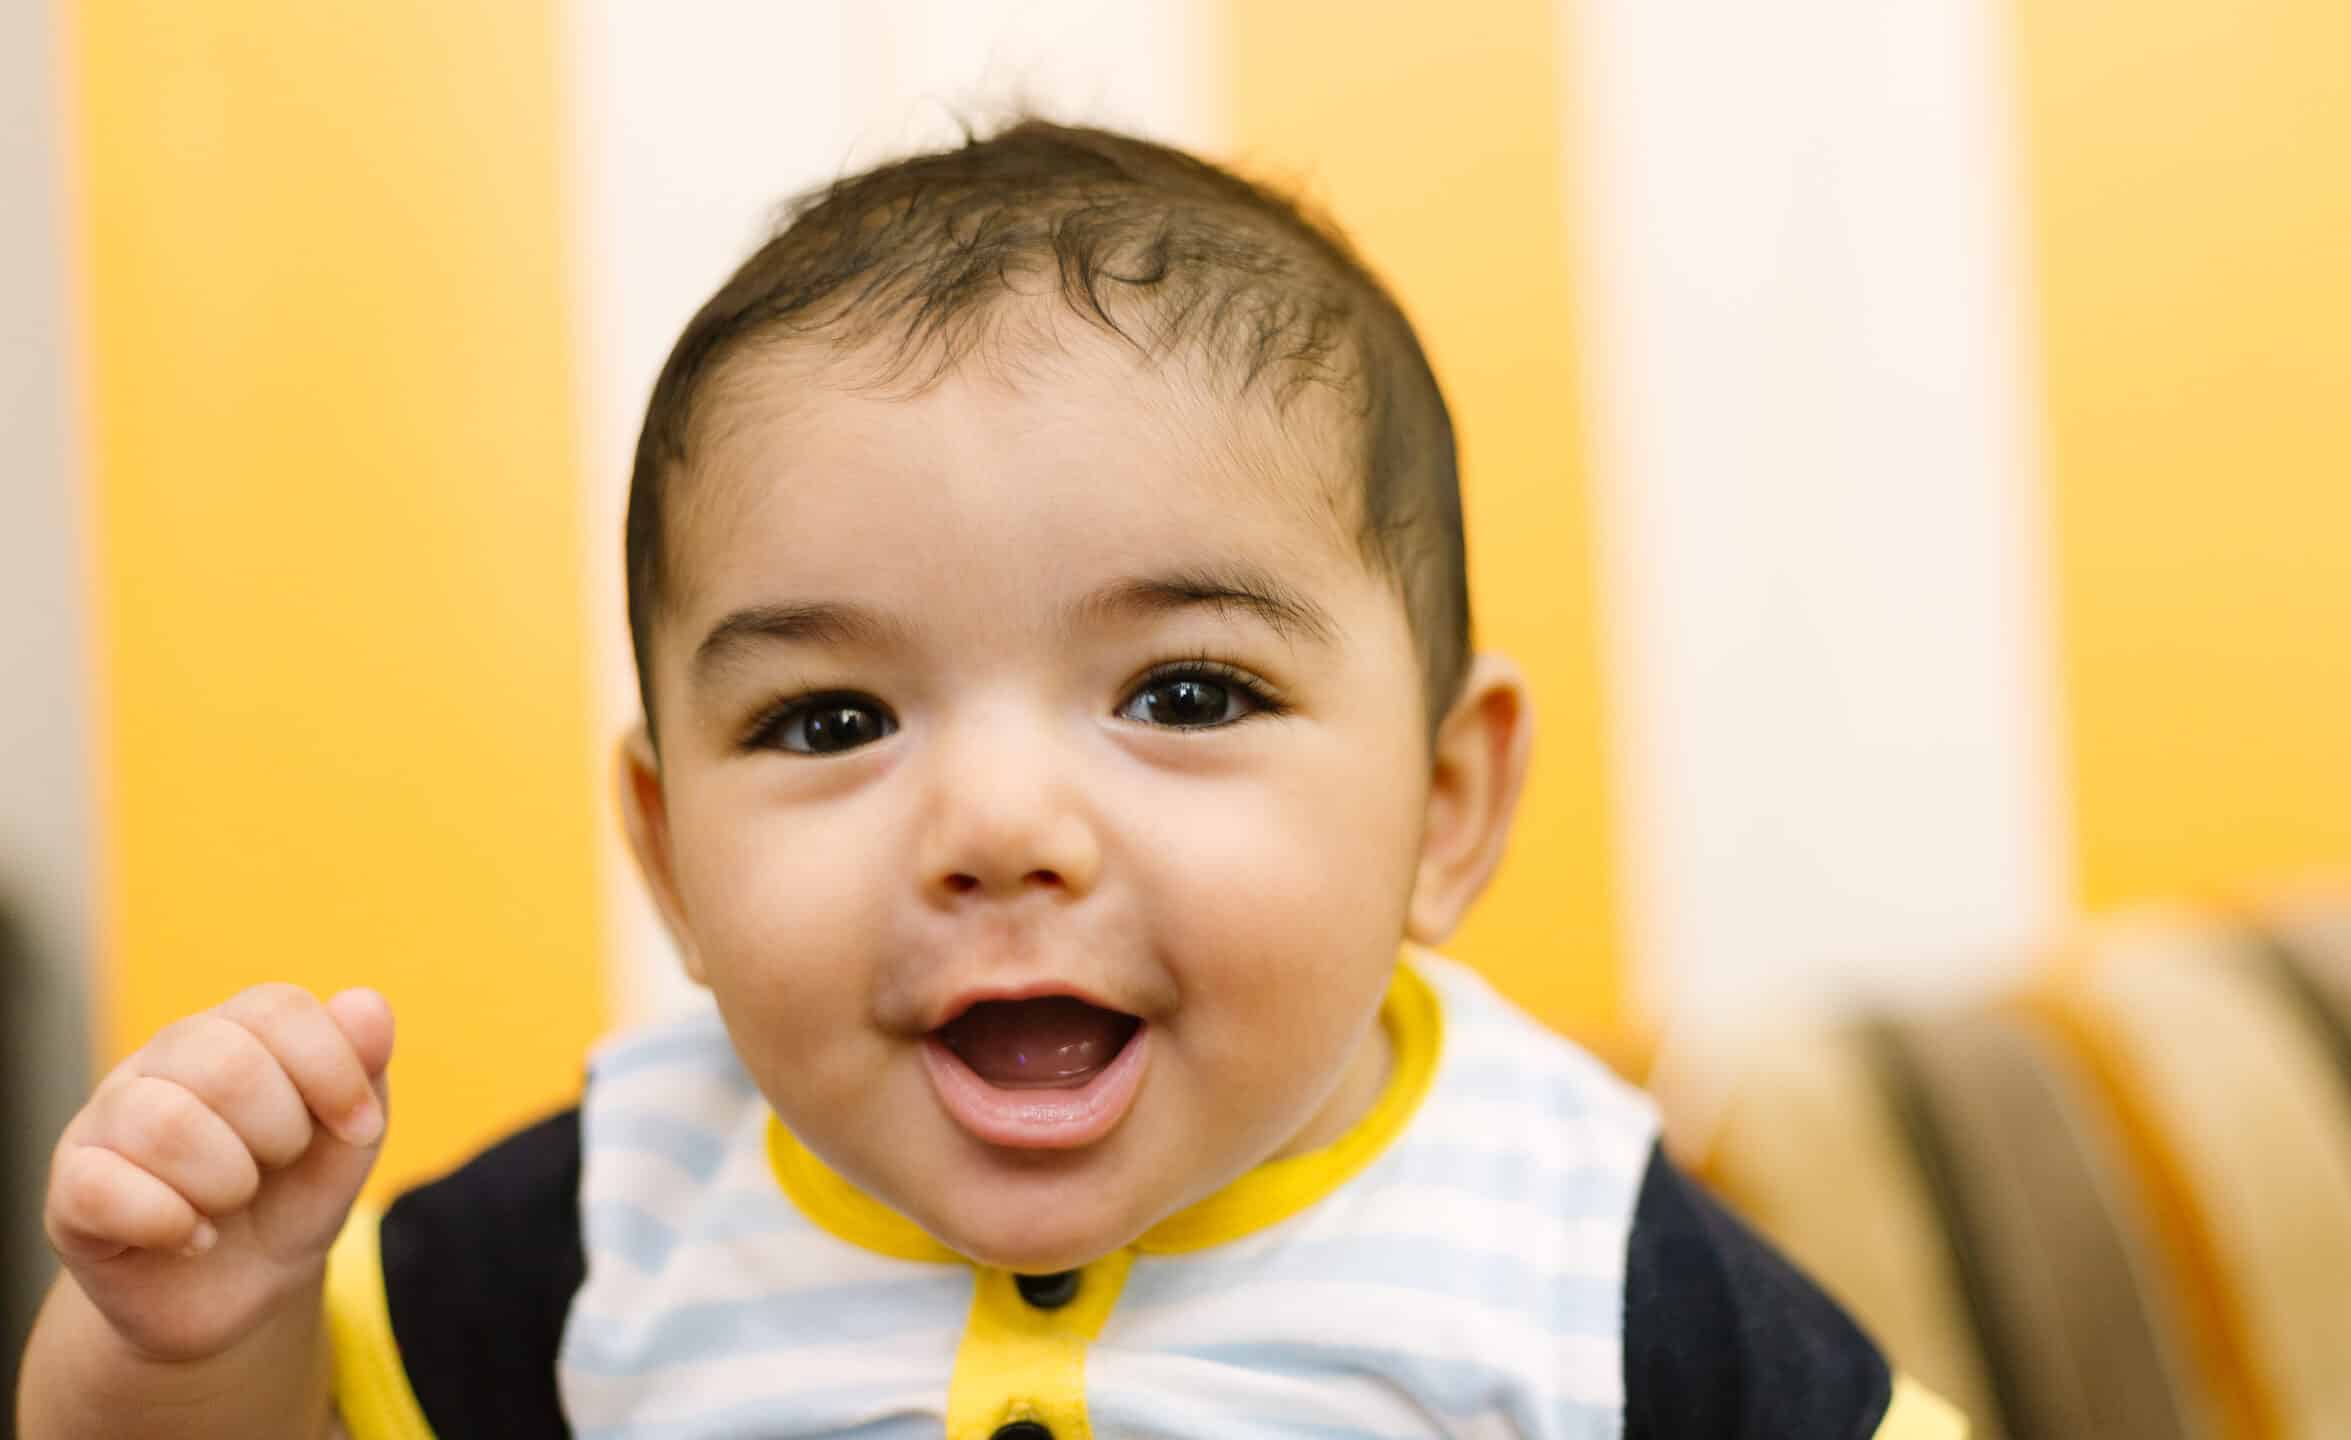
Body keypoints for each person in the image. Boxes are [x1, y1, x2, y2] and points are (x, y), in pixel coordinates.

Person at [21, 121, 1965, 1440]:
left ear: (1444, 807)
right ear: (669, 853)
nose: (999, 833)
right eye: (830, 723)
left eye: (1185, 693)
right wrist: (187, 1342)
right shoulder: (611, 1222)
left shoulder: (1568, 1246)